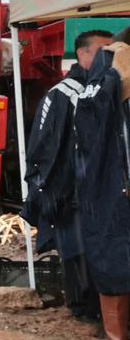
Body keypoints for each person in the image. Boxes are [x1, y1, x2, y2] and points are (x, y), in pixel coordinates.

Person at [24, 30, 110, 324]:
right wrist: (48, 190)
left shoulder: (109, 88)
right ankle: (84, 311)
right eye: (104, 51)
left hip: (101, 190)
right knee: (77, 252)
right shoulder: (62, 94)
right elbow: (43, 147)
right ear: (83, 55)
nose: (109, 59)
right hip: (70, 192)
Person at [73, 30, 130, 340]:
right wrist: (111, 75)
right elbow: (90, 126)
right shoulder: (97, 93)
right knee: (113, 263)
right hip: (111, 192)